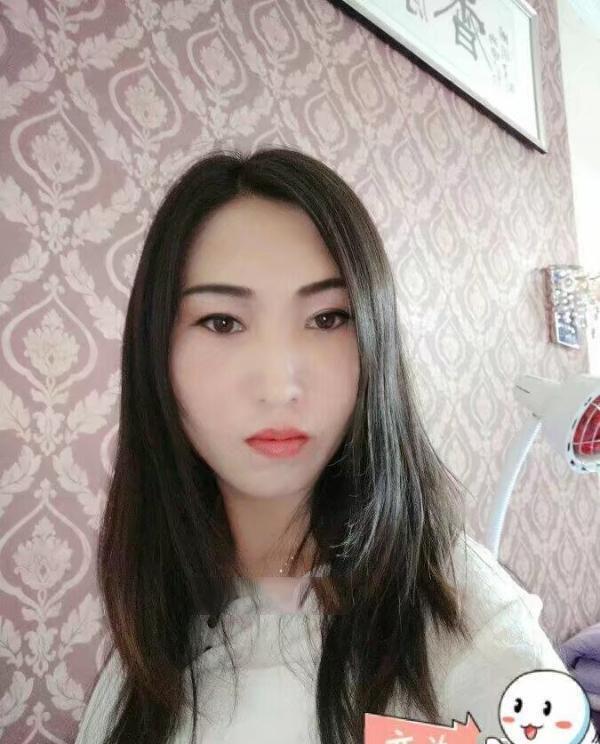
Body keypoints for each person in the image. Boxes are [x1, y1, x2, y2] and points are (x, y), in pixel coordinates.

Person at [74, 147, 569, 744]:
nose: (279, 386)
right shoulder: (155, 623)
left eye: (328, 318)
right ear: (156, 353)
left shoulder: (462, 620)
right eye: (223, 322)